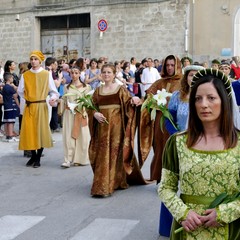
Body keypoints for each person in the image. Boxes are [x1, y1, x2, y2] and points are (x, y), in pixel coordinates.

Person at [158, 68, 240, 239]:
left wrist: (227, 212)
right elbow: (166, 187)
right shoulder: (177, 143)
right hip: (188, 229)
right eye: (198, 99)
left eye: (211, 98)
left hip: (231, 229)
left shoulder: (238, 142)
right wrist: (182, 213)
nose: (203, 104)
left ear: (224, 101)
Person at [158, 64, 204, 237]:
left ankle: (195, 221)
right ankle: (166, 226)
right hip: (179, 142)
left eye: (197, 75)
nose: (194, 78)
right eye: (191, 75)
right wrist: (176, 135)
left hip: (200, 143)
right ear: (186, 77)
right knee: (170, 182)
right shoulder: (178, 96)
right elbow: (168, 118)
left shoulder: (204, 96)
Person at [89, 63, 145, 197]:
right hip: (102, 127)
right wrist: (94, 114)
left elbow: (128, 104)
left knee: (115, 153)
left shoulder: (120, 89)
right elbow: (91, 106)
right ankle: (103, 181)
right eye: (104, 72)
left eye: (109, 72)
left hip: (116, 127)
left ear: (114, 74)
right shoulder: (98, 91)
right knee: (102, 153)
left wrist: (134, 101)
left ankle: (112, 182)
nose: (106, 75)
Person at [138, 54, 182, 184]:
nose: (169, 68)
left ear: (177, 66)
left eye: (172, 65)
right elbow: (148, 99)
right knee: (159, 147)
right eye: (167, 65)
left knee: (174, 148)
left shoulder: (183, 82)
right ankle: (160, 178)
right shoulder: (159, 82)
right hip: (159, 121)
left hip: (175, 120)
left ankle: (175, 179)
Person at [18, 50, 59, 168]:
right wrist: (28, 97)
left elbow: (53, 91)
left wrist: (52, 98)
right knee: (29, 131)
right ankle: (33, 155)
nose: (33, 61)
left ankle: (38, 158)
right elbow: (20, 91)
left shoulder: (46, 74)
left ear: (40, 61)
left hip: (41, 106)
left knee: (40, 131)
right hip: (30, 106)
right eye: (31, 59)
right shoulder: (25, 75)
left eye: (35, 59)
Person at [61, 66, 91, 168]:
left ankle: (81, 159)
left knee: (83, 137)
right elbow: (64, 100)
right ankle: (68, 159)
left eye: (76, 73)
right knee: (69, 137)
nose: (74, 75)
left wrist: (86, 108)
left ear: (79, 74)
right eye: (72, 73)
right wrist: (57, 101)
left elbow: (89, 101)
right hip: (69, 114)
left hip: (81, 113)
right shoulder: (66, 87)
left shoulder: (86, 87)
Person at [2, 72, 20, 142]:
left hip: (6, 106)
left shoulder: (4, 87)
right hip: (11, 106)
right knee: (11, 122)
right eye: (12, 78)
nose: (13, 79)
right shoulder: (9, 87)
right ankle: (10, 136)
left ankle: (7, 135)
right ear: (9, 79)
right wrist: (16, 89)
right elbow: (15, 96)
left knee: (7, 122)